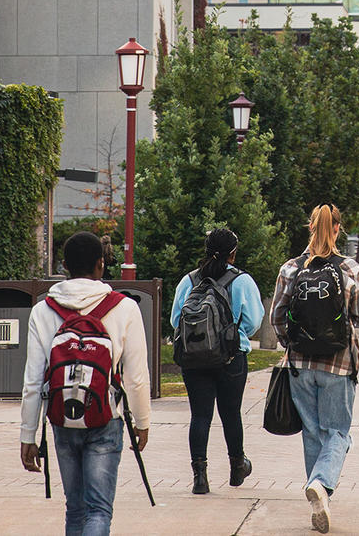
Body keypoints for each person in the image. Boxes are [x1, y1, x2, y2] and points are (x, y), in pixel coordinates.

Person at [20, 232, 151, 536]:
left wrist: (28, 435)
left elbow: (33, 378)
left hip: (62, 419)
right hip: (107, 418)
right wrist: (142, 422)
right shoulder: (125, 308)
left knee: (75, 508)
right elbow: (136, 376)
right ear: (101, 265)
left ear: (63, 265)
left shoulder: (43, 310)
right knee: (98, 510)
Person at [272, 204, 359, 534]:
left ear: (310, 227)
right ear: (338, 229)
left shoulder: (291, 268)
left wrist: (294, 341)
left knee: (313, 432)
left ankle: (319, 495)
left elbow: (276, 316)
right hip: (339, 363)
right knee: (338, 432)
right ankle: (321, 483)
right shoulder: (349, 268)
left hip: (299, 364)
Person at [170, 227, 265, 494]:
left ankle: (200, 476)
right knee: (231, 413)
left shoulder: (188, 281)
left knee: (200, 415)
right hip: (231, 357)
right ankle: (237, 467)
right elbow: (254, 321)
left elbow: (176, 320)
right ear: (233, 253)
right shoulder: (242, 281)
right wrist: (233, 333)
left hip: (193, 360)